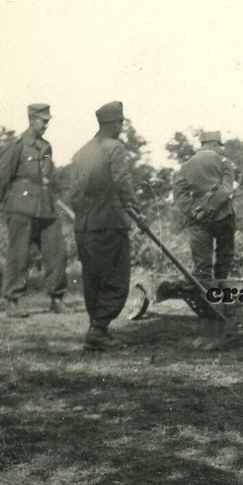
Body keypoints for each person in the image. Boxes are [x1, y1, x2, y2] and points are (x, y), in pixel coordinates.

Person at [70, 101, 143, 351]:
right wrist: (135, 208)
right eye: (121, 123)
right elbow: (122, 182)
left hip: (84, 227)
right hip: (110, 224)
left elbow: (74, 193)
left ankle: (96, 328)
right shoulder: (115, 148)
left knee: (93, 279)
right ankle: (99, 329)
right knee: (116, 279)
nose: (122, 127)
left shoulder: (80, 153)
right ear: (115, 123)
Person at [0, 103, 67, 318]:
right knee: (19, 254)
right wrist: (3, 202)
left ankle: (56, 298)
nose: (46, 125)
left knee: (57, 252)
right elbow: (2, 176)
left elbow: (49, 178)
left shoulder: (46, 147)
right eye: (43, 121)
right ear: (31, 120)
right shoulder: (17, 146)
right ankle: (13, 301)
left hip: (46, 206)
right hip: (21, 207)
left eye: (47, 121)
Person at [173, 130, 236, 281]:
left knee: (202, 266)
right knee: (224, 260)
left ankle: (204, 299)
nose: (220, 149)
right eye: (219, 145)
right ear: (214, 144)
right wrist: (210, 208)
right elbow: (226, 189)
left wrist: (192, 211)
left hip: (198, 219)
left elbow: (179, 194)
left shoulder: (187, 165)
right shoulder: (224, 162)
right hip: (223, 215)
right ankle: (222, 296)